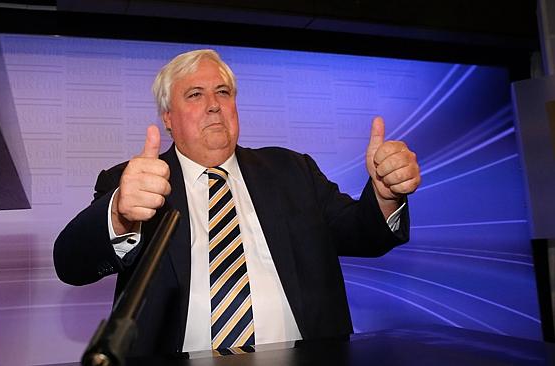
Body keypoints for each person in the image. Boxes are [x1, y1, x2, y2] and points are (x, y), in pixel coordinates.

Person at [53, 49, 421, 357]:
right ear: (168, 118)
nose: (213, 105)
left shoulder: (292, 170)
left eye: (223, 92)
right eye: (195, 94)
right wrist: (118, 214)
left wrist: (386, 196)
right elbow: (71, 264)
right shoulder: (137, 181)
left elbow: (363, 234)